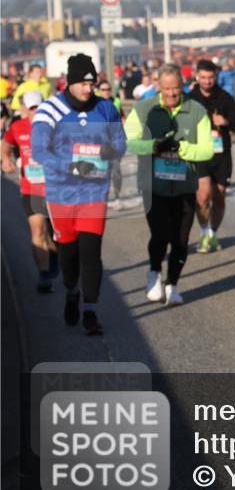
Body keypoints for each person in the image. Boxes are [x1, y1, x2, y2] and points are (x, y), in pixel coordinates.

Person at [30, 53, 127, 335]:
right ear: (70, 83)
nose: (89, 89)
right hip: (61, 195)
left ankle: (90, 311)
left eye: (92, 83)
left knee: (91, 253)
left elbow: (120, 142)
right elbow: (38, 151)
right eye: (83, 84)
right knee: (69, 255)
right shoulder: (50, 110)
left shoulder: (106, 108)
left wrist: (110, 151)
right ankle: (72, 291)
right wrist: (72, 167)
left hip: (94, 194)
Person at [125, 64, 214, 305]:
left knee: (181, 240)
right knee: (161, 234)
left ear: (182, 86)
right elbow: (127, 141)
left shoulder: (196, 110)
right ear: (158, 86)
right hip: (153, 185)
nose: (172, 94)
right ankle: (154, 271)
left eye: (176, 88)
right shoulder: (143, 108)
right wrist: (152, 146)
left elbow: (207, 150)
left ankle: (172, 285)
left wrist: (182, 148)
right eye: (166, 89)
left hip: (184, 184)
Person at [2, 90, 59, 293]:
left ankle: (54, 254)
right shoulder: (17, 127)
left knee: (56, 235)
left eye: (39, 106)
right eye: (32, 107)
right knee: (38, 230)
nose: (36, 111)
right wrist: (6, 158)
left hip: (55, 189)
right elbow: (5, 144)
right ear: (25, 108)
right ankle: (43, 276)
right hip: (31, 188)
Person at [188, 59, 235, 253]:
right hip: (200, 153)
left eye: (210, 77)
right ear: (197, 77)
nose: (207, 81)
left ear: (215, 77)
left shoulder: (225, 98)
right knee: (202, 197)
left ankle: (212, 233)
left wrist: (225, 121)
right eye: (203, 77)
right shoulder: (190, 98)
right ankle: (203, 232)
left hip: (221, 154)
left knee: (219, 198)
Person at [95, 80, 126, 209]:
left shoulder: (116, 102)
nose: (106, 92)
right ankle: (102, 199)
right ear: (98, 91)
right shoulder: (94, 104)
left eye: (108, 89)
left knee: (116, 170)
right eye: (103, 89)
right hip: (100, 143)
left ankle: (117, 196)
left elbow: (123, 117)